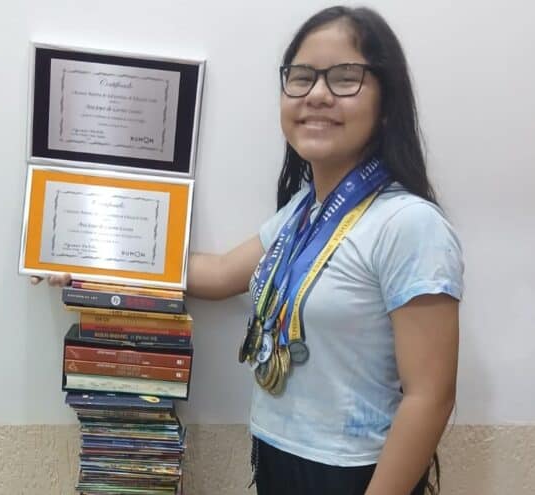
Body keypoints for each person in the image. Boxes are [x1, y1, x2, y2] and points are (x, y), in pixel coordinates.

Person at [33, 6, 463, 495]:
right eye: (301, 77)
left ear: (386, 103)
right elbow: (218, 274)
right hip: (278, 452)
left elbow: (430, 397)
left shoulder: (409, 224)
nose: (317, 94)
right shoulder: (303, 212)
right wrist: (87, 257)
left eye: (345, 78)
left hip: (355, 471)